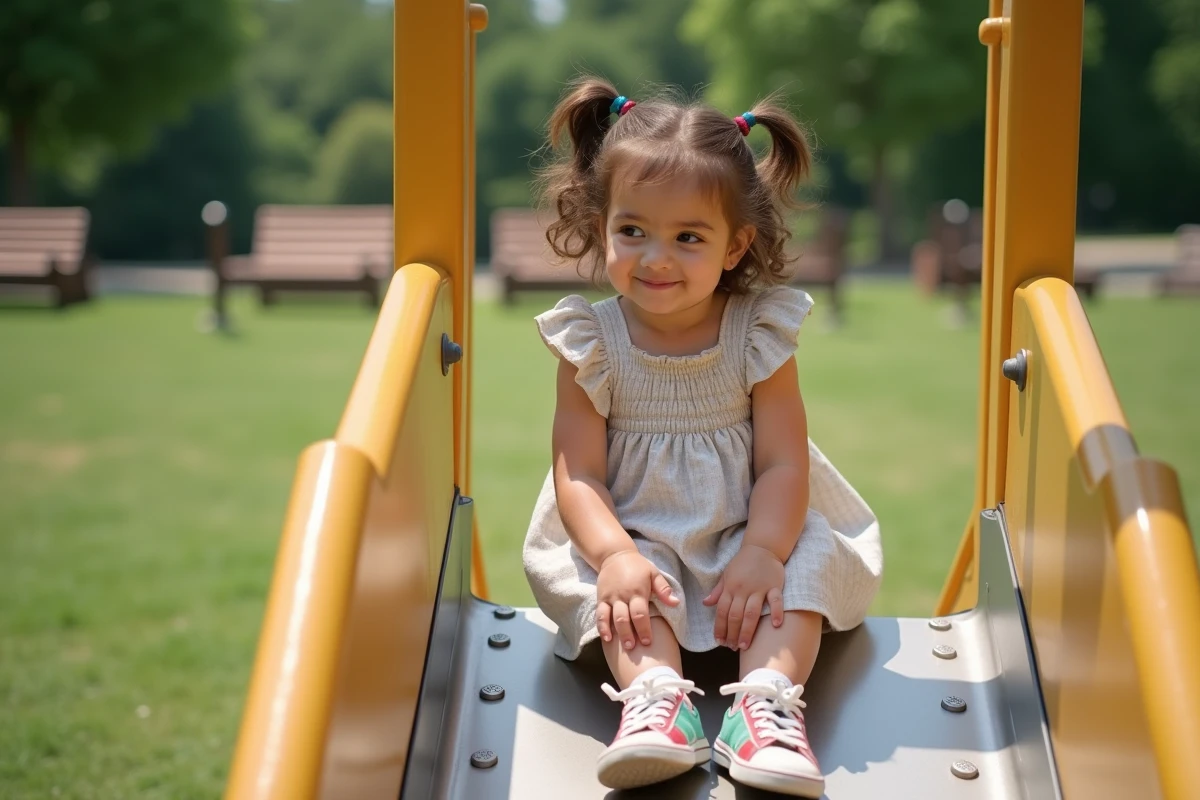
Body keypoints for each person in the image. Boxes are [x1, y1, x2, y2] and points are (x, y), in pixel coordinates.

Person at [521, 75, 883, 798]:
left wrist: (762, 550)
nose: (656, 258)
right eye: (633, 231)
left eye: (688, 237)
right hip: (632, 528)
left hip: (754, 523)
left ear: (734, 244)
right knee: (616, 585)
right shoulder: (590, 340)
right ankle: (657, 702)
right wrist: (616, 554)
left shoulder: (760, 332)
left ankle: (766, 703)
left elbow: (783, 463)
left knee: (809, 556)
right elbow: (579, 477)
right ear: (603, 228)